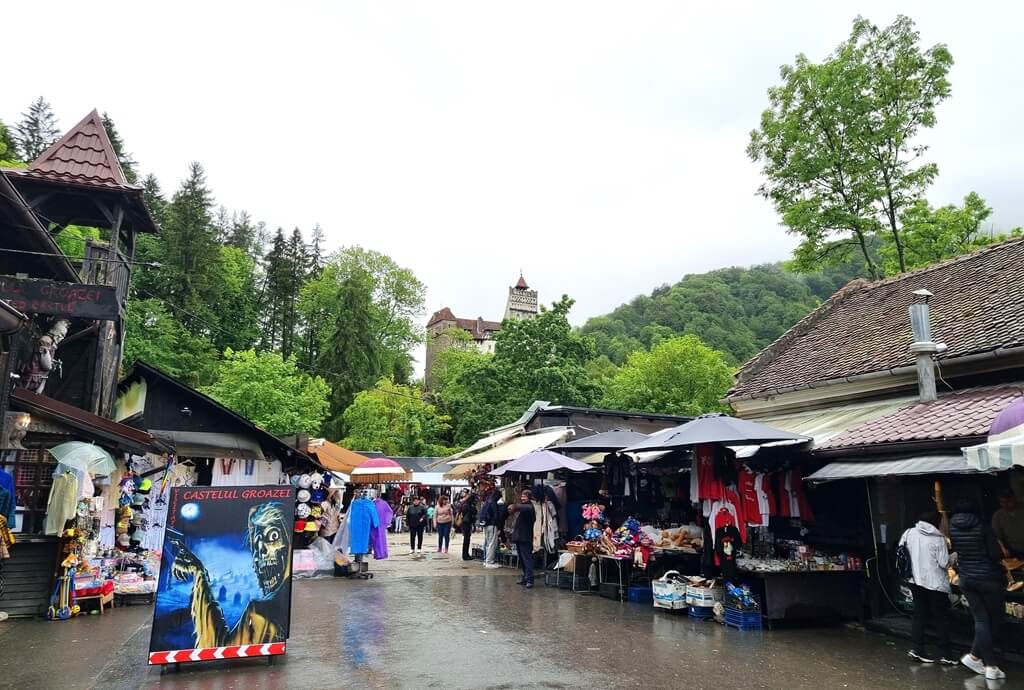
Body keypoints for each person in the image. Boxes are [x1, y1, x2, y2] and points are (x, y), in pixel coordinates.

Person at [949, 497, 1007, 681]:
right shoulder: (984, 528)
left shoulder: (953, 528)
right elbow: (995, 554)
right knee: (993, 620)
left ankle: (976, 658)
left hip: (967, 580)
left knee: (981, 621)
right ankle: (989, 665)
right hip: (988, 579)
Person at [899, 511, 954, 665]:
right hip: (934, 583)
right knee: (941, 617)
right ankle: (946, 655)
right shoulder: (938, 538)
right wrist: (955, 556)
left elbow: (901, 552)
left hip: (914, 580)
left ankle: (917, 649)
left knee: (919, 614)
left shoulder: (909, 533)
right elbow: (944, 563)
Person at [509, 489, 536, 588]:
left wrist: (515, 506)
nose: (523, 498)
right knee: (522, 559)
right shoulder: (524, 507)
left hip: (525, 538)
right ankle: (525, 577)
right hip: (520, 538)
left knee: (527, 559)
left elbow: (525, 508)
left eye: (525, 496)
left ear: (529, 497)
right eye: (522, 496)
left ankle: (530, 579)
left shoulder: (530, 507)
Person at [992, 488, 1024, 558]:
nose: (1005, 505)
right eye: (1002, 502)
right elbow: (996, 536)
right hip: (1014, 550)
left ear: (1014, 499)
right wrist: (1002, 548)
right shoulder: (998, 515)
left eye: (1009, 502)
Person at [480, 490, 502, 568]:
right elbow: (496, 515)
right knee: (492, 543)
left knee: (487, 542)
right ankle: (489, 561)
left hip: (485, 524)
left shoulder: (487, 501)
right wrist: (499, 526)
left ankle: (486, 559)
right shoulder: (493, 503)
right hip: (492, 525)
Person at [459, 493, 478, 561]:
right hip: (467, 523)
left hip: (464, 523)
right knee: (466, 540)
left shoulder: (464, 505)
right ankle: (465, 555)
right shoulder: (470, 506)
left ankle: (465, 554)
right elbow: (474, 512)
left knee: (466, 540)